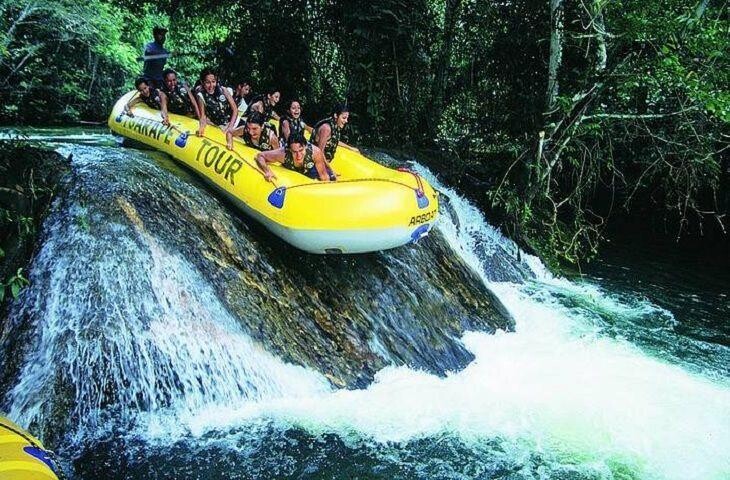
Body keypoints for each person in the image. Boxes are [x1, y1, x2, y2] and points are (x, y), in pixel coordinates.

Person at [256, 133, 333, 182]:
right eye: (294, 152)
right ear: (289, 149)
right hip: (291, 173)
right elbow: (260, 156)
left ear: (305, 146)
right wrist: (267, 171)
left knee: (330, 176)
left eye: (301, 150)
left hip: (310, 169)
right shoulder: (282, 154)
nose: (298, 156)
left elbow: (324, 176)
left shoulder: (315, 152)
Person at [195, 68, 238, 150]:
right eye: (208, 82)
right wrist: (201, 128)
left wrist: (230, 127)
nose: (211, 85)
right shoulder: (201, 95)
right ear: (202, 82)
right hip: (219, 125)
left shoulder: (223, 90)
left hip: (233, 122)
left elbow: (235, 110)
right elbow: (203, 116)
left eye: (213, 82)